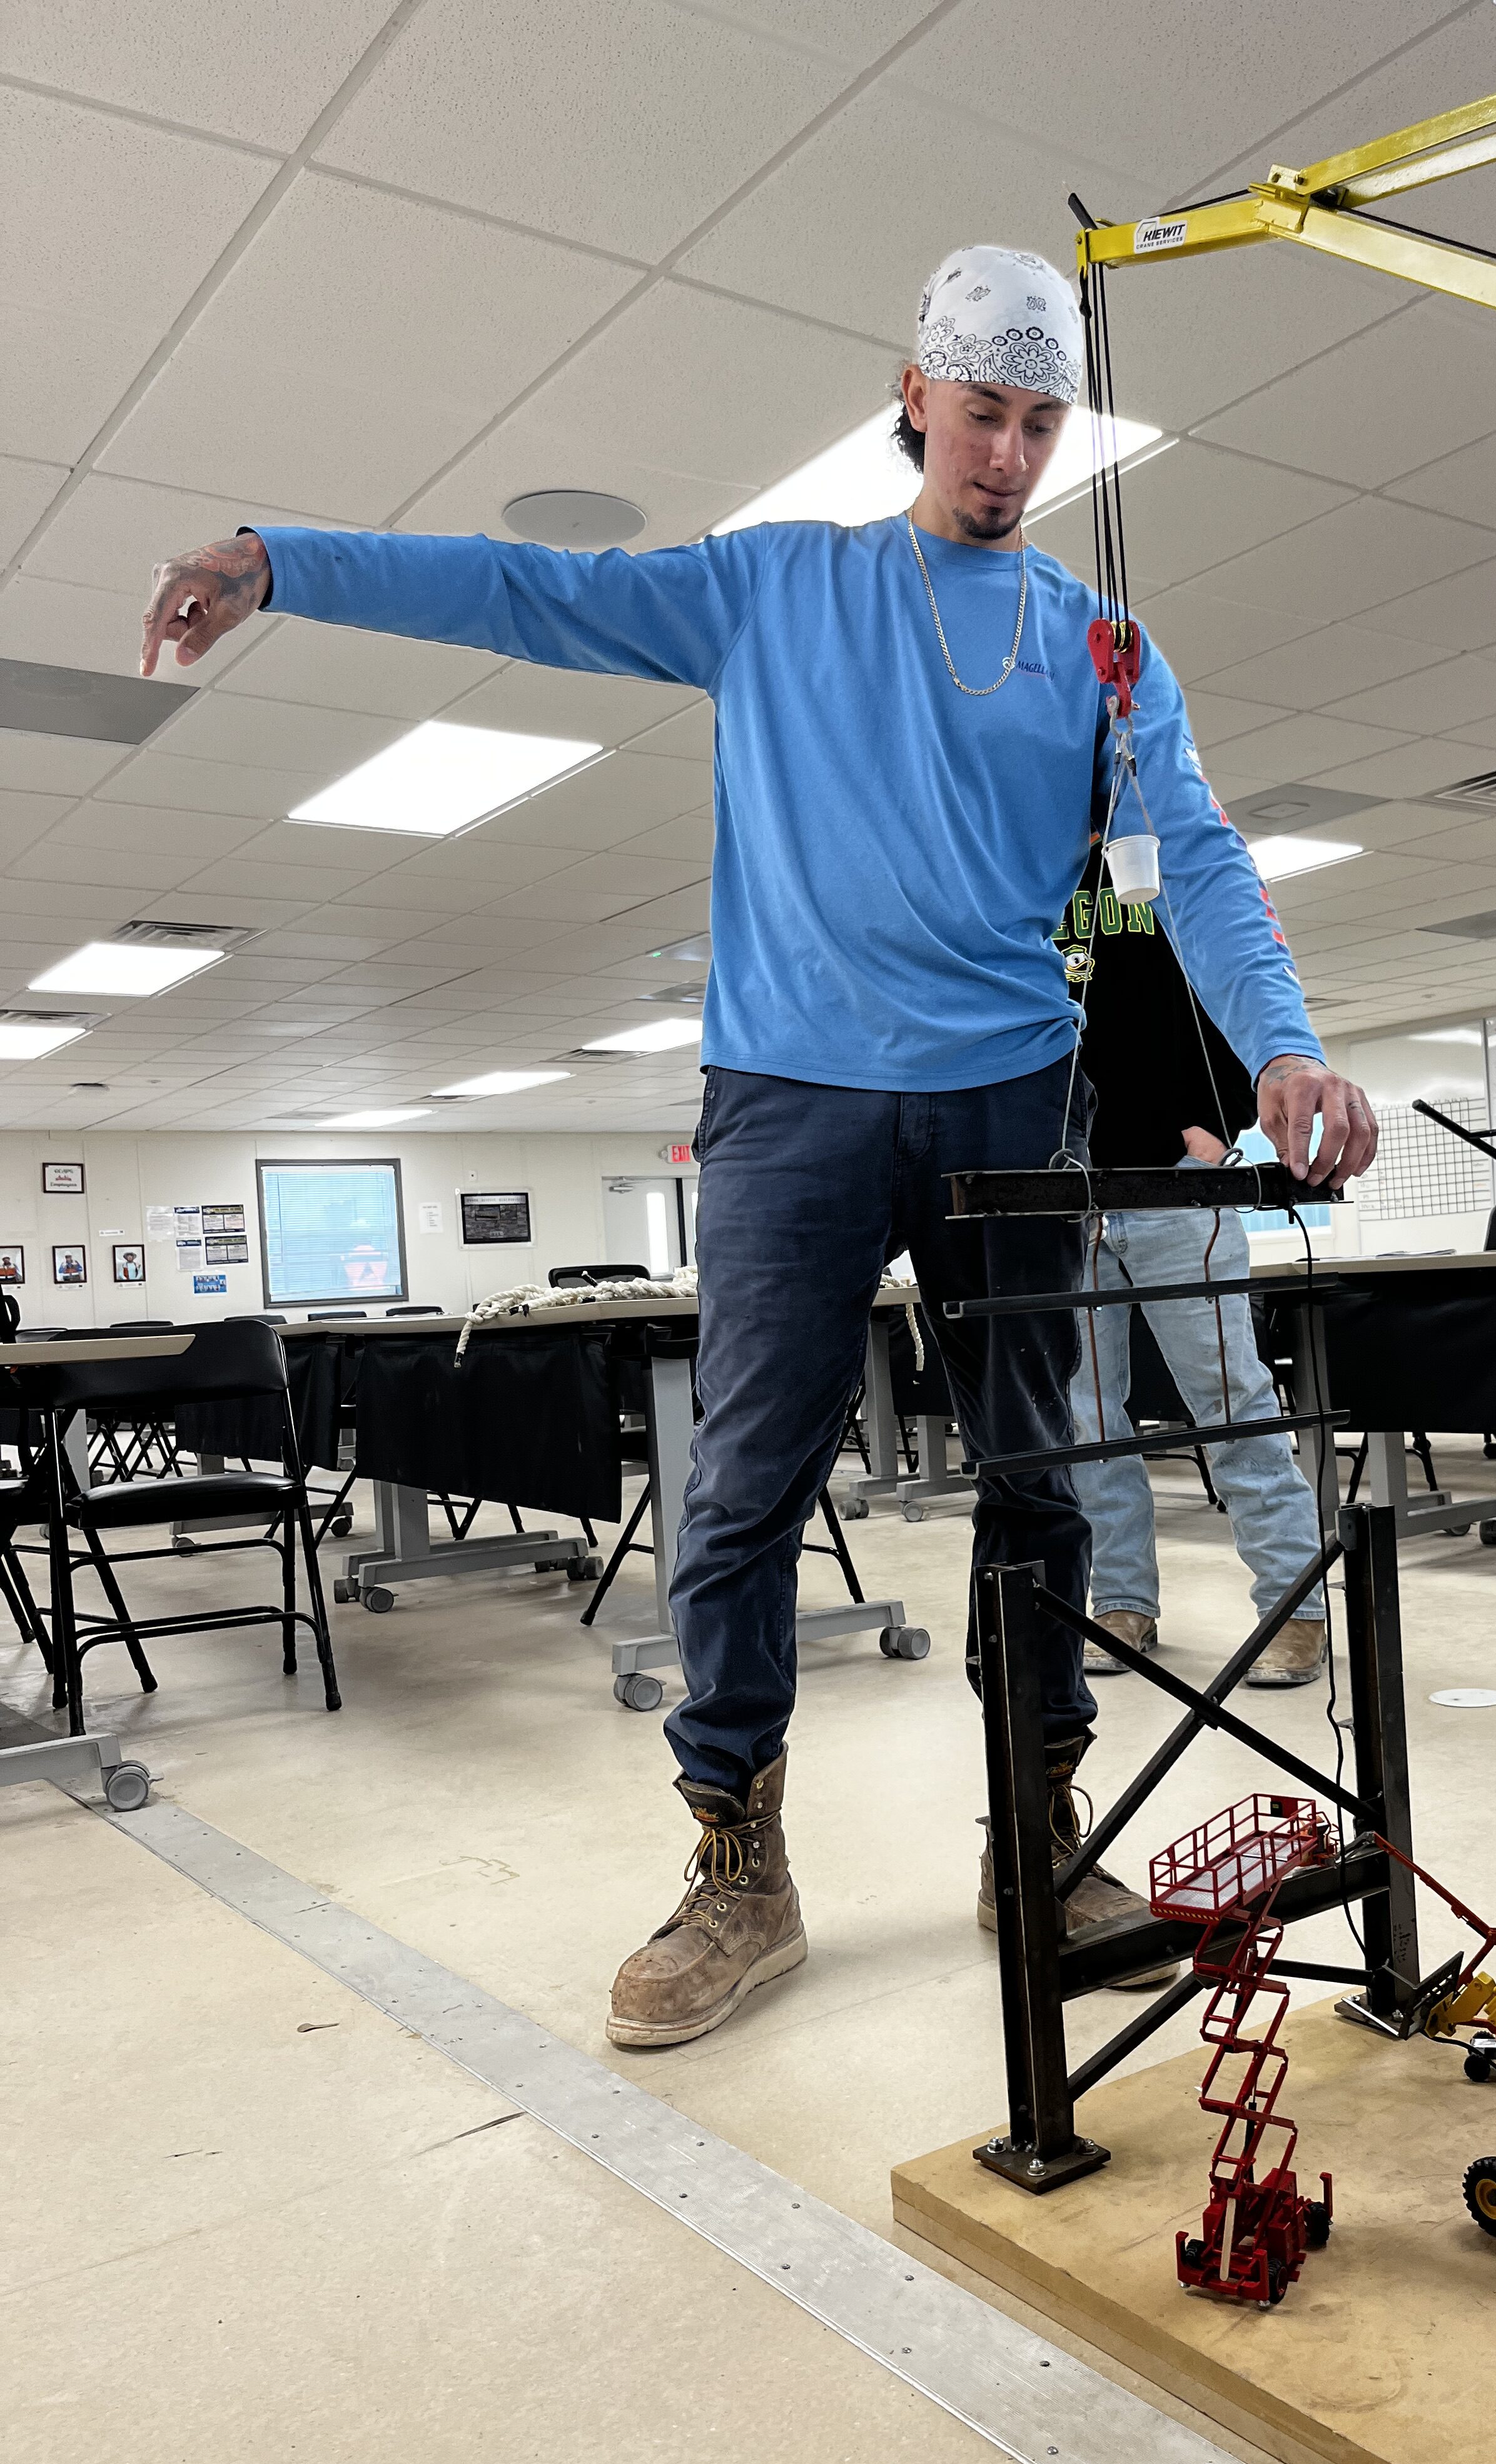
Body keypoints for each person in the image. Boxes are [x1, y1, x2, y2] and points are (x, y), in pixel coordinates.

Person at [139, 244, 1377, 2049]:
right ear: (913, 396)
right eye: (981, 415)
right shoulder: (779, 589)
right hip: (789, 1100)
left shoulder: (1105, 648)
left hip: (1006, 1097)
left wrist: (1285, 1044)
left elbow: (1194, 854)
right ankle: (740, 1867)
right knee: (743, 1488)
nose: (1008, 455)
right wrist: (282, 561)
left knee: (1042, 1477)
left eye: (1041, 424)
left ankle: (1035, 1839)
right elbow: (528, 592)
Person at [1059, 852, 1355, 1686]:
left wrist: (1212, 1126)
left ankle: (1295, 1611)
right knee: (1091, 1424)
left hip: (1175, 1188)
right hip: (1064, 1191)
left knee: (1232, 1408)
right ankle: (1121, 1601)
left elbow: (1239, 990)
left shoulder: (1156, 866)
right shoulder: (1013, 874)